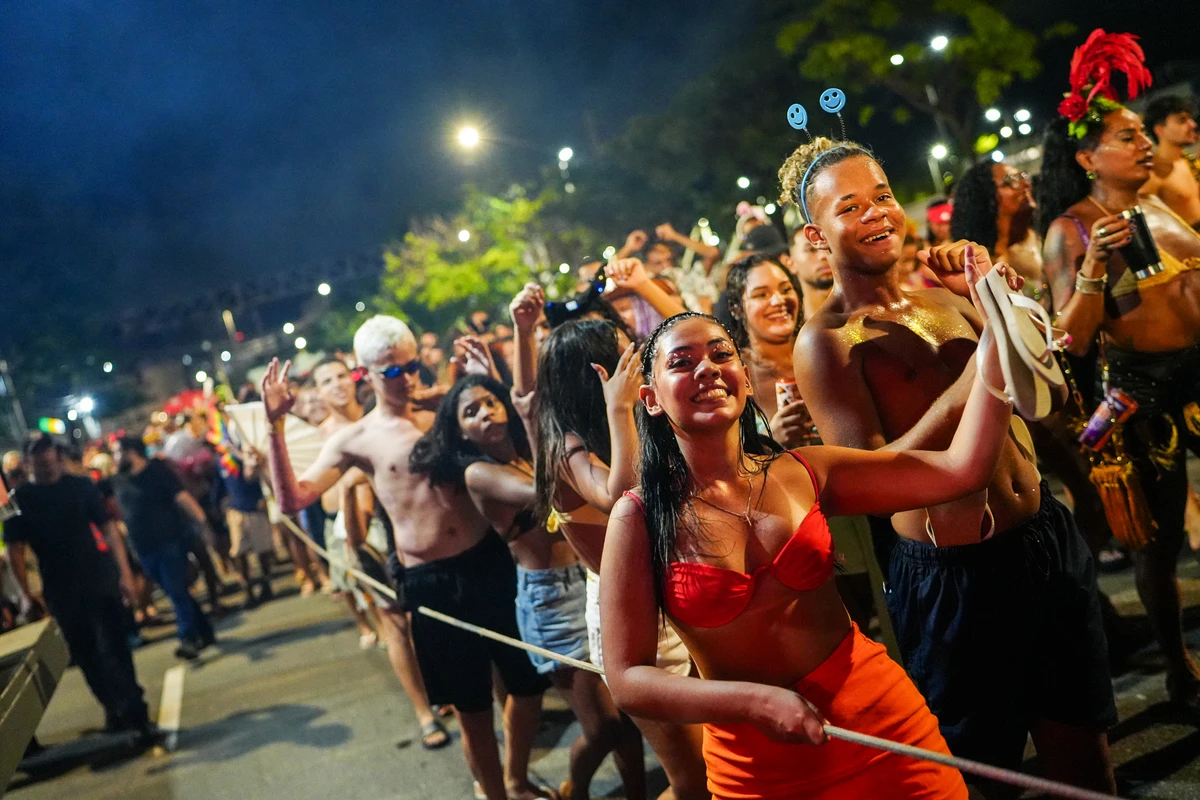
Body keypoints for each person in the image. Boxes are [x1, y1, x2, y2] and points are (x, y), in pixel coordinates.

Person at [784, 136, 1117, 796]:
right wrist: (982, 363)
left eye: (882, 196)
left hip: (1042, 540)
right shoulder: (826, 342)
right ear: (816, 235)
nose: (876, 213)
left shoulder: (947, 298)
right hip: (958, 582)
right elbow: (873, 476)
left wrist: (994, 300)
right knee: (984, 769)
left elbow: (1032, 388)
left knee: (1083, 749)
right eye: (849, 206)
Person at [602, 301, 1019, 798]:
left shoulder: (805, 470)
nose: (707, 369)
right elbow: (628, 680)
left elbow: (961, 470)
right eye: (682, 362)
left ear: (746, 377)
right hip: (759, 768)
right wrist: (753, 703)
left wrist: (995, 353)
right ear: (650, 399)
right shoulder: (640, 517)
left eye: (720, 354)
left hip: (881, 725)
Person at [263, 315, 551, 800]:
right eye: (394, 371)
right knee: (471, 709)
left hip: (487, 561)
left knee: (528, 685)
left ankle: (517, 777)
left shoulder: (443, 410)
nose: (408, 377)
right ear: (366, 373)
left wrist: (489, 382)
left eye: (412, 365)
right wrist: (273, 424)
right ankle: (497, 793)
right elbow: (294, 498)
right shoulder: (355, 439)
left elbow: (509, 441)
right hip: (431, 582)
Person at [1037, 84, 1200, 712]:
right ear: (1088, 158)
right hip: (1142, 392)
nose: (1143, 145)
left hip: (1197, 378)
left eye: (1141, 134)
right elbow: (1070, 339)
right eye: (1127, 137)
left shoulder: (1159, 206)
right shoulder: (1070, 227)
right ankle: (1180, 666)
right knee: (1156, 545)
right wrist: (1094, 267)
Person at [412, 370, 646, 800]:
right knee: (604, 725)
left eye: (490, 402)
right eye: (471, 412)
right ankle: (576, 788)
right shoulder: (479, 473)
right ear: (460, 430)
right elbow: (545, 490)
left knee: (627, 719)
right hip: (549, 601)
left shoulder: (526, 449)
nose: (485, 414)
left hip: (590, 581)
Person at [529, 315, 709, 800]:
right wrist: (620, 409)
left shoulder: (629, 427)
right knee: (694, 781)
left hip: (679, 594)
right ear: (597, 373)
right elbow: (622, 495)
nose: (638, 357)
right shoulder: (565, 446)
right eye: (625, 352)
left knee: (717, 763)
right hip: (634, 617)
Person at [309, 355, 447, 749]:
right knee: (395, 625)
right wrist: (355, 484)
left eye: (341, 376)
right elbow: (320, 498)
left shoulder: (379, 412)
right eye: (326, 380)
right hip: (362, 531)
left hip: (406, 516)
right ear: (318, 391)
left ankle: (446, 690)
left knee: (430, 614)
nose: (337, 385)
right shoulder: (325, 437)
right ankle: (424, 712)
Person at [2, 435, 154, 743]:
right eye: (39, 462)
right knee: (86, 656)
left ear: (57, 457)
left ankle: (136, 713)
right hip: (60, 590)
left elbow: (109, 529)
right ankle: (114, 708)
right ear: (30, 463)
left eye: (49, 459)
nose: (46, 466)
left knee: (114, 650)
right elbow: (15, 550)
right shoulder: (21, 499)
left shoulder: (81, 487)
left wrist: (124, 574)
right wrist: (24, 594)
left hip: (99, 579)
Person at [113, 435, 217, 660]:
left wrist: (203, 523)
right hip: (143, 548)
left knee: (176, 589)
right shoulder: (118, 480)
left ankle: (188, 638)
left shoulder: (157, 472)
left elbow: (182, 498)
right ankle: (205, 630)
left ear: (131, 452)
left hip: (170, 542)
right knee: (174, 591)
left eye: (117, 452)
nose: (115, 457)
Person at [721, 253, 816, 449]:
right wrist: (769, 441)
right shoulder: (730, 376)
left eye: (785, 289)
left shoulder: (821, 355)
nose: (778, 301)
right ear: (737, 308)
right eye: (761, 295)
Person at [951, 161, 1048, 303]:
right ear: (986, 196)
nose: (1025, 184)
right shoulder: (978, 264)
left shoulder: (1042, 237)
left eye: (1022, 176)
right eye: (1011, 180)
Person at [220, 443, 275, 607]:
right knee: (239, 552)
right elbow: (219, 485)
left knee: (263, 550)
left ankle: (266, 584)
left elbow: (252, 477)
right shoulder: (222, 462)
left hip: (255, 508)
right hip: (236, 510)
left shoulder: (248, 456)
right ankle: (248, 589)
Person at [1140, 94, 1200, 228]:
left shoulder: (1190, 163)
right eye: (1182, 120)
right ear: (1160, 130)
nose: (1192, 125)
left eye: (1190, 119)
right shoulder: (1152, 173)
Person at [788, 226, 835, 320]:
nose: (823, 255)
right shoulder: (792, 327)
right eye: (811, 250)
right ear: (791, 264)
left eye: (827, 247)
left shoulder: (862, 311)